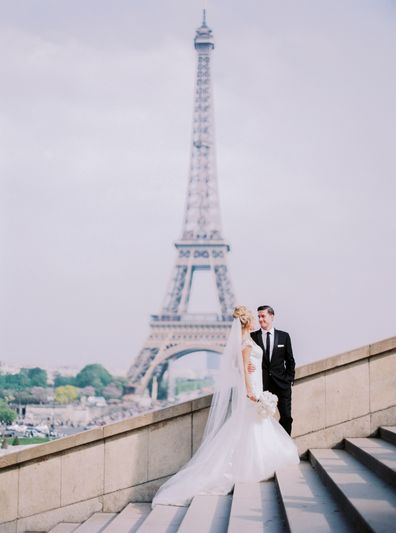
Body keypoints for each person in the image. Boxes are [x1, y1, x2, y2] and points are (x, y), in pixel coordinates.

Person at [151, 305, 299, 508]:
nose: (258, 320)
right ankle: (255, 465)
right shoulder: (249, 341)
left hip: (260, 385)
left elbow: (248, 363)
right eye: (255, 318)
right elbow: (240, 365)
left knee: (256, 426)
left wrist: (254, 372)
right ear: (248, 322)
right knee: (254, 426)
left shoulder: (251, 340)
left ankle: (256, 463)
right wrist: (249, 387)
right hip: (252, 388)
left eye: (262, 316)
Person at [249, 306, 295, 435]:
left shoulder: (284, 336)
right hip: (263, 386)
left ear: (272, 316)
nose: (260, 319)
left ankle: (286, 447)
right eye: (259, 316)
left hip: (282, 385)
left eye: (263, 316)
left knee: (286, 417)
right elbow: (243, 356)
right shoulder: (253, 337)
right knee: (262, 420)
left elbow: (290, 360)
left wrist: (289, 379)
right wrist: (246, 365)